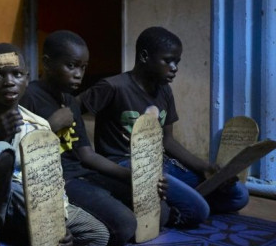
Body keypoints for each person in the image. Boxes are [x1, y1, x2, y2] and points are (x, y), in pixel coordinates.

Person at [0, 43, 109, 246]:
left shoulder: (39, 125)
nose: (9, 81)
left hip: (22, 199)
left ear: (26, 79)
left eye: (17, 74)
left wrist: (58, 221)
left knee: (97, 237)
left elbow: (51, 180)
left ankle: (15, 232)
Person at [79, 26, 249, 227]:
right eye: (168, 60)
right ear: (144, 56)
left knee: (239, 195)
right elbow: (72, 111)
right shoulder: (113, 87)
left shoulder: (165, 91)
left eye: (177, 62)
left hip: (162, 163)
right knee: (198, 211)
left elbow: (167, 140)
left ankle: (173, 201)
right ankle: (170, 210)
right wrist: (85, 152)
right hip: (125, 164)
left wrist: (204, 167)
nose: (174, 67)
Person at [20, 31, 154, 246]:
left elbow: (87, 154)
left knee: (158, 208)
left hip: (83, 174)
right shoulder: (29, 97)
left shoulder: (70, 101)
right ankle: (57, 233)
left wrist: (131, 176)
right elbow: (21, 150)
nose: (78, 74)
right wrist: (52, 124)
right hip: (57, 181)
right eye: (71, 66)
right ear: (47, 63)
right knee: (126, 225)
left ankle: (97, 215)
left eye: (83, 67)